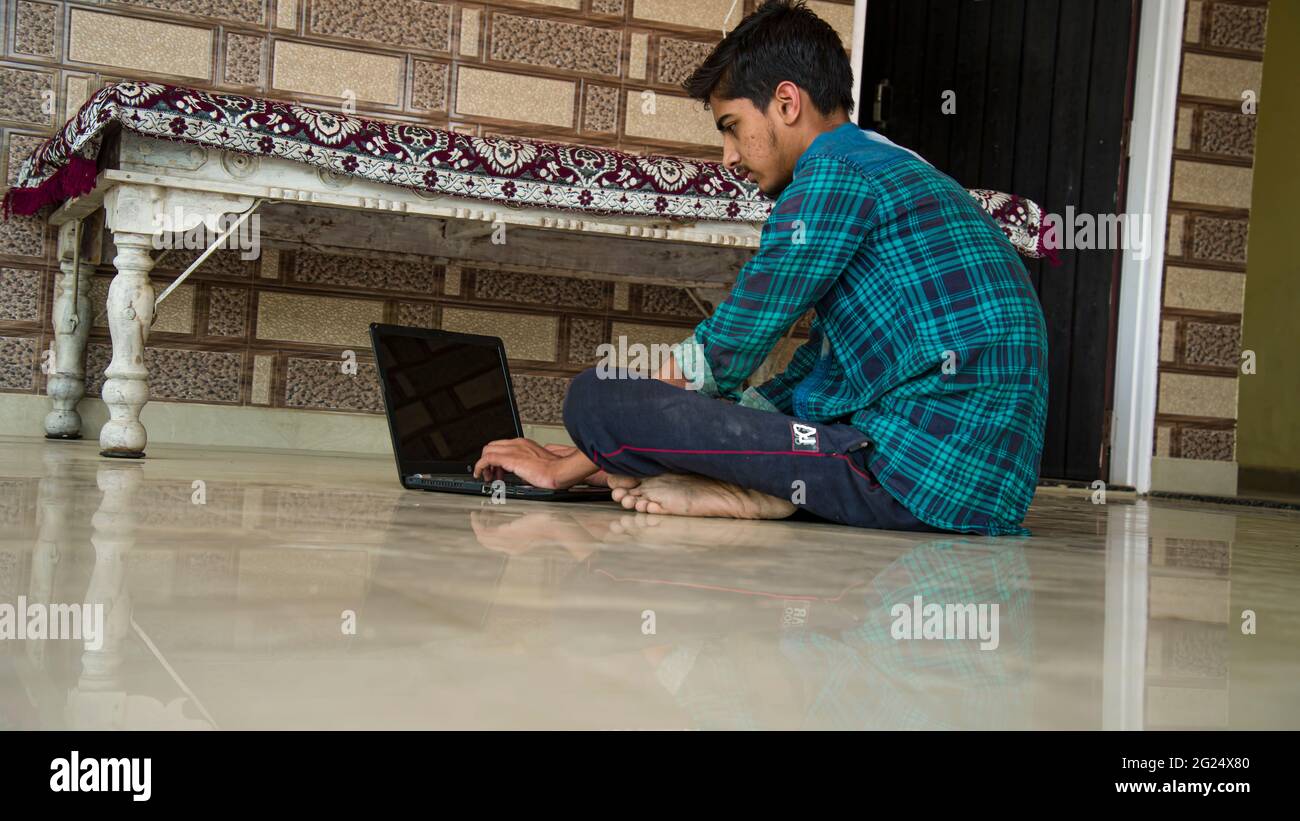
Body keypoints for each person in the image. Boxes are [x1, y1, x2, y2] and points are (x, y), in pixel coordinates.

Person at [474, 0, 1048, 536]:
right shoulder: (886, 164)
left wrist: (571, 462)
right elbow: (817, 370)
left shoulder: (834, 173)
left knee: (598, 398)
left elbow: (726, 348)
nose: (728, 157)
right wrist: (606, 458)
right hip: (980, 485)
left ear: (787, 102)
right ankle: (770, 485)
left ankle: (761, 486)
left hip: (917, 475)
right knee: (646, 411)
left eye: (730, 127)